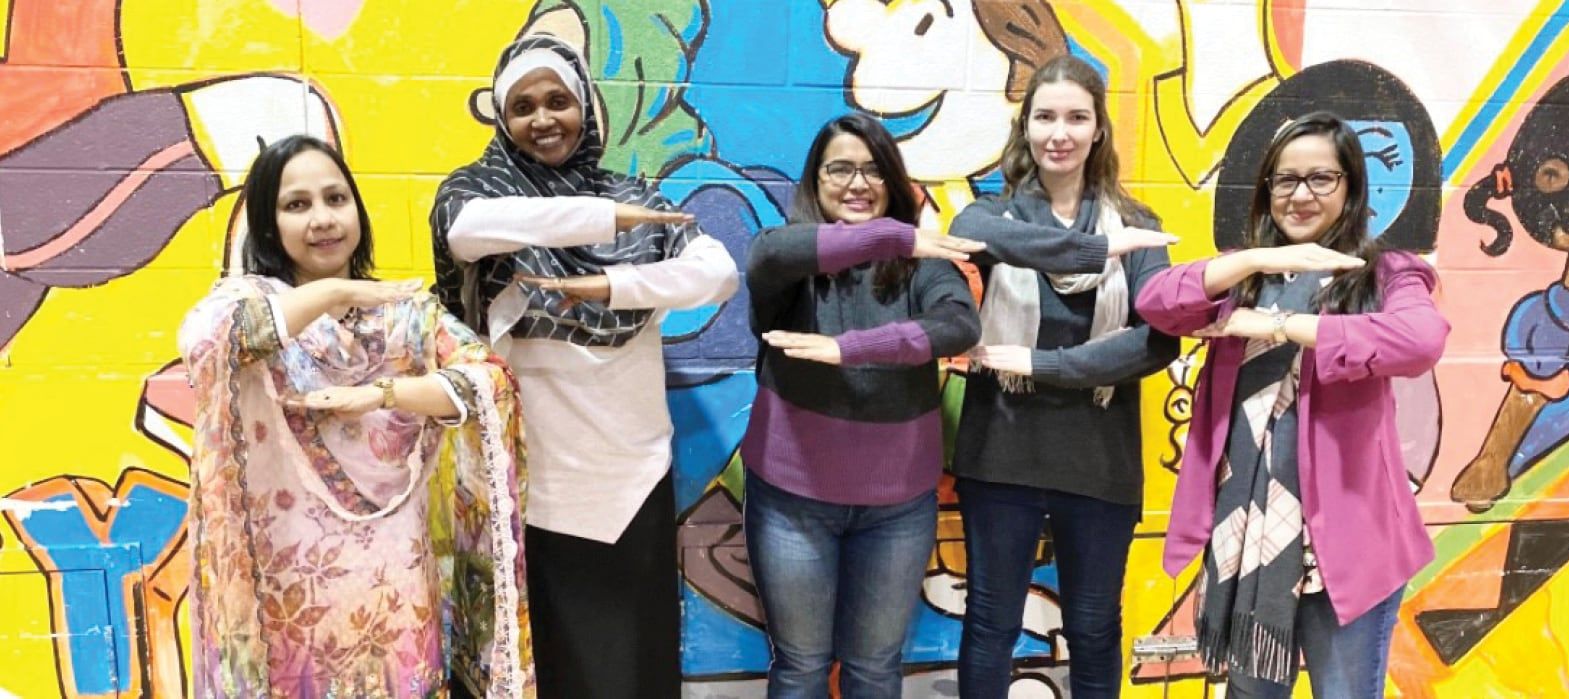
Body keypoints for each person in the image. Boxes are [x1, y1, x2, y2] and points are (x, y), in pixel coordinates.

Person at [429, 34, 739, 698]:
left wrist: (616, 288)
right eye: (523, 106)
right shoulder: (480, 190)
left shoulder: (635, 193)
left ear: (586, 107)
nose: (542, 120)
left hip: (632, 470)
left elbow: (717, 272)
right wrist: (599, 220)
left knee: (633, 664)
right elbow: (464, 231)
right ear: (501, 119)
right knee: (549, 663)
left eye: (558, 100)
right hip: (532, 481)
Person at [179, 135, 532, 698]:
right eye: (297, 205)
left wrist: (385, 395)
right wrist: (332, 293)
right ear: (268, 224)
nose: (322, 219)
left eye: (336, 199)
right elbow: (207, 343)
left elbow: (489, 382)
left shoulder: (406, 313)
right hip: (288, 596)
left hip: (396, 590)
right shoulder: (243, 301)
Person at [1135, 111, 1449, 697]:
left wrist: (1284, 326)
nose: (1300, 195)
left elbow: (1421, 339)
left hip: (1348, 548)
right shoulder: (1244, 280)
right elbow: (1156, 301)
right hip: (1248, 545)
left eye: (1321, 179)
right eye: (1285, 180)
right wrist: (1256, 261)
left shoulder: (1385, 274)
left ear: (1351, 188)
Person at [947, 55, 1180, 699]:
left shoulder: (1140, 227)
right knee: (991, 624)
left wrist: (1044, 366)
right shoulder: (986, 222)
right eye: (1045, 116)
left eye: (1077, 117)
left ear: (1099, 129)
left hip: (1099, 463)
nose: (1060, 132)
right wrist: (1098, 253)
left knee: (1094, 628)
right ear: (1025, 128)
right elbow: (975, 237)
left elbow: (1156, 342)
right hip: (1001, 455)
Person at [739, 112, 983, 697]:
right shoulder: (790, 260)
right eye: (840, 168)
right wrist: (895, 233)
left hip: (896, 508)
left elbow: (958, 325)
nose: (858, 183)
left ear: (893, 181)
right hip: (792, 503)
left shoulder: (924, 264)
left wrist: (850, 348)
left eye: (874, 170)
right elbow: (766, 257)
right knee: (800, 664)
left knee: (875, 667)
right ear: (815, 180)